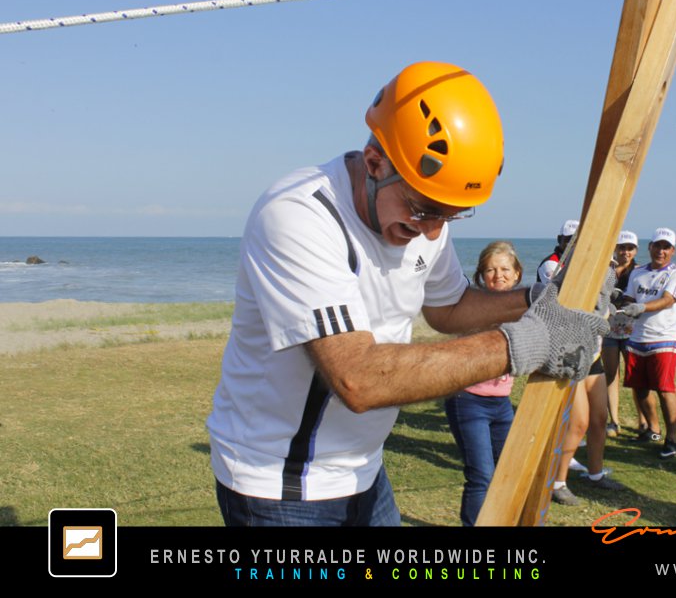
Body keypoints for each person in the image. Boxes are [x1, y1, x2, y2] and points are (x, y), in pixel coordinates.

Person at [206, 61, 608, 527]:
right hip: (280, 483)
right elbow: (358, 378)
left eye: (450, 215)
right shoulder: (298, 216)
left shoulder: (423, 214)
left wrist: (539, 298)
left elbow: (450, 306)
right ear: (375, 162)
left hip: (363, 469)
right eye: (423, 210)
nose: (432, 231)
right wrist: (527, 343)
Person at [538, 221, 623, 505]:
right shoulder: (566, 267)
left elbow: (603, 301)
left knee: (599, 418)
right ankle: (557, 481)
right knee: (578, 423)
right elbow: (558, 302)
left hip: (593, 354)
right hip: (570, 353)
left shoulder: (606, 265)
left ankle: (595, 475)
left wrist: (611, 308)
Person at [445, 241, 522, 526]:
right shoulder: (474, 305)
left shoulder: (522, 309)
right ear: (481, 275)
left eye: (504, 269)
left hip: (501, 403)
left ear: (517, 273)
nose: (498, 275)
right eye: (490, 270)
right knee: (481, 476)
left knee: (506, 471)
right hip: (468, 401)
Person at [618, 228, 676, 459]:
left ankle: (672, 439)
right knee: (639, 388)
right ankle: (653, 430)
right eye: (657, 246)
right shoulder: (637, 273)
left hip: (664, 338)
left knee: (664, 389)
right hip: (637, 337)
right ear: (650, 247)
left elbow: (667, 300)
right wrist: (621, 302)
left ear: (673, 251)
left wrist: (641, 307)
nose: (661, 251)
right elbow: (629, 297)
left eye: (666, 247)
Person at [602, 230, 644, 438]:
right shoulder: (606, 269)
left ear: (635, 250)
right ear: (615, 248)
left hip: (631, 331)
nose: (625, 252)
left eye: (630, 248)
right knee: (611, 375)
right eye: (622, 247)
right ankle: (614, 421)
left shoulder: (640, 271)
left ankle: (643, 420)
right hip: (608, 329)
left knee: (635, 377)